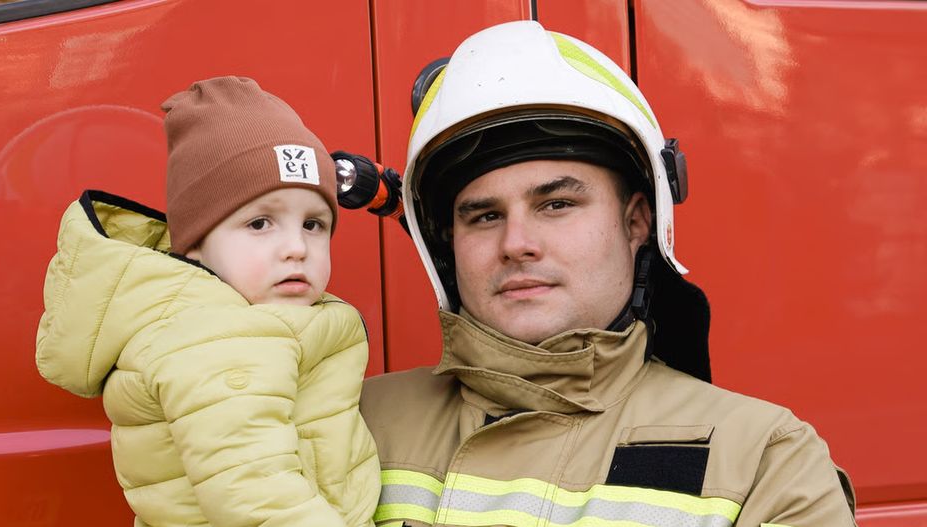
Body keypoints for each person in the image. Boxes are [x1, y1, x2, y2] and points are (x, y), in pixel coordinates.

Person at [360, 21, 857, 527]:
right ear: (446, 244)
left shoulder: (764, 461)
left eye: (556, 204)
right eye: (485, 216)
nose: (516, 245)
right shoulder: (351, 422)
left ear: (637, 221)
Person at [35, 76, 379, 527]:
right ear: (195, 245)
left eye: (313, 224)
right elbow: (258, 498)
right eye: (260, 224)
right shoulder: (213, 340)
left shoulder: (248, 321)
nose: (297, 247)